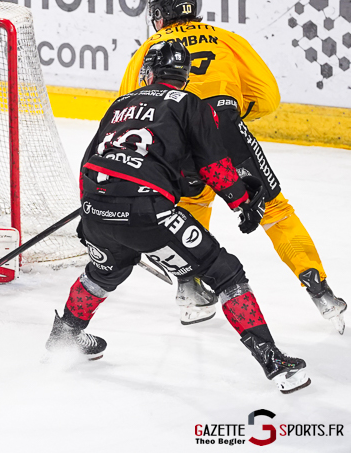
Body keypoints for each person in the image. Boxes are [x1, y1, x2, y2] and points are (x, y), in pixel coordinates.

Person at [46, 40, 310, 393]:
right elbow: (215, 166)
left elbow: (89, 162)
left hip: (94, 207)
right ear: (183, 76)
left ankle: (65, 335)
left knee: (104, 272)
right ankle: (275, 362)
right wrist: (241, 203)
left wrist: (95, 212)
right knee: (225, 272)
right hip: (147, 211)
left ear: (150, 72)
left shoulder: (120, 103)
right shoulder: (190, 104)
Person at [119, 0, 346, 334]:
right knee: (274, 210)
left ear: (159, 15)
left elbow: (132, 109)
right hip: (225, 127)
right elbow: (268, 97)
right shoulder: (226, 39)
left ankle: (189, 290)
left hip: (178, 137)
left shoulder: (148, 49)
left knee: (191, 208)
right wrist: (232, 113)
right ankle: (321, 291)